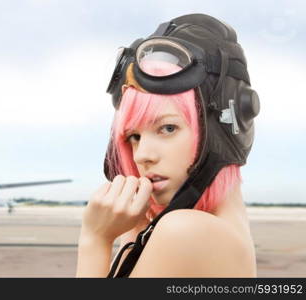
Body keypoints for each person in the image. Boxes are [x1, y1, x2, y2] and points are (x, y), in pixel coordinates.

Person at [76, 14, 260, 277]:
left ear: (223, 131)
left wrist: (94, 240)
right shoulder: (212, 230)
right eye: (134, 137)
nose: (142, 156)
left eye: (168, 128)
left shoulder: (184, 231)